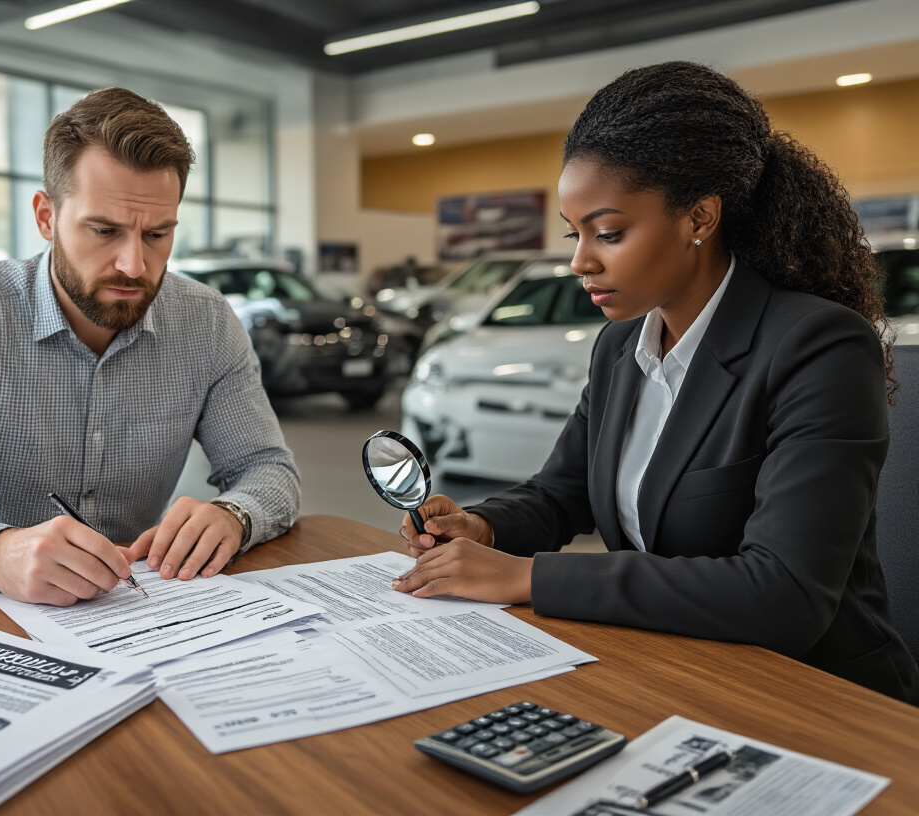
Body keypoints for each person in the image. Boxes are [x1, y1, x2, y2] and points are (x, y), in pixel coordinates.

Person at [392, 61, 919, 704]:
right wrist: (485, 528)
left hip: (815, 695)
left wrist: (529, 578)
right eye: (575, 233)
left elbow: (785, 593)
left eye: (608, 232)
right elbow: (562, 495)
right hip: (670, 669)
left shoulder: (817, 345)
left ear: (699, 217)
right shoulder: (621, 346)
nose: (581, 262)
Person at [0, 87, 300, 606]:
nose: (134, 265)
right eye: (104, 230)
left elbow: (268, 470)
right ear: (46, 217)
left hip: (140, 606)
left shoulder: (208, 323)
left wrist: (234, 515)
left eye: (157, 235)